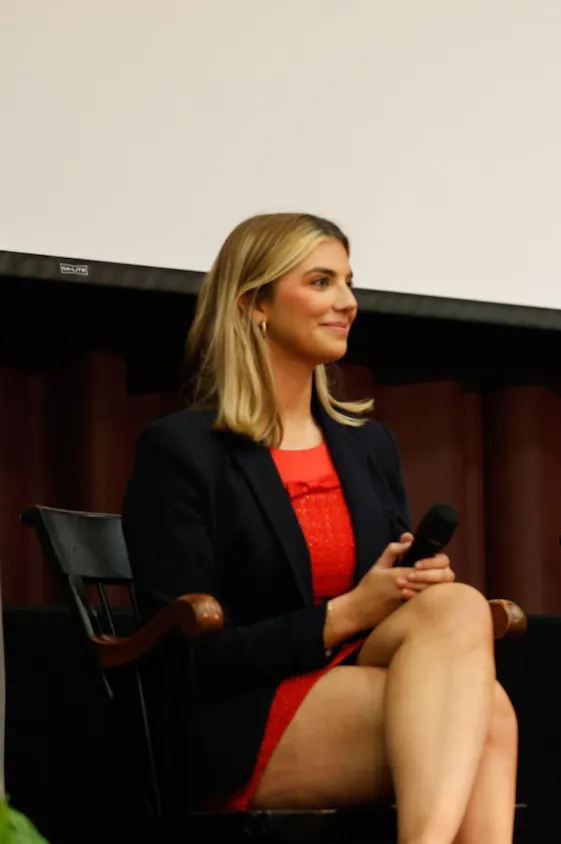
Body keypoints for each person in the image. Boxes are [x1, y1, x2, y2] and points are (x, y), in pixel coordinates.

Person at [121, 213, 516, 844]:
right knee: (488, 711)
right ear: (254, 303)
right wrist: (349, 612)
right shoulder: (183, 451)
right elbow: (193, 660)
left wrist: (406, 587)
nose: (349, 302)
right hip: (242, 712)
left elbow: (390, 614)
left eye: (349, 282)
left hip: (358, 676)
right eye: (322, 281)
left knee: (456, 607)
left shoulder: (368, 447)